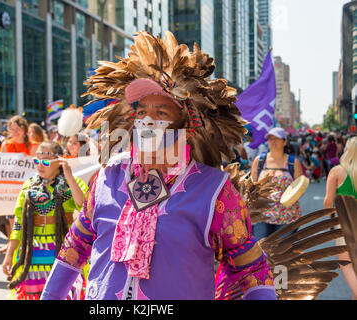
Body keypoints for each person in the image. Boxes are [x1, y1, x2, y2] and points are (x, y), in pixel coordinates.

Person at [41, 31, 277, 300]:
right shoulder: (109, 176)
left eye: (161, 112)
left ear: (187, 127)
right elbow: (76, 245)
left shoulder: (214, 191)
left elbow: (252, 272)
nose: (147, 121)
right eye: (141, 112)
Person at [2, 141, 88, 300]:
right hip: (32, 252)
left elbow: (84, 205)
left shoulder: (70, 184)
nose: (40, 165)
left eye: (46, 161)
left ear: (59, 162)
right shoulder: (29, 186)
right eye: (37, 160)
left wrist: (69, 176)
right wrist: (9, 254)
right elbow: (18, 223)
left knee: (64, 293)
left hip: (63, 250)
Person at [250, 127, 303, 240]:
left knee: (282, 253)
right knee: (261, 250)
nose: (272, 141)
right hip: (261, 215)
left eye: (277, 139)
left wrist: (288, 196)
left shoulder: (293, 163)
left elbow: (300, 189)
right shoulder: (259, 161)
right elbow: (252, 187)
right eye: (270, 139)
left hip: (287, 216)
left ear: (284, 142)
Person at [323, 136, 357, 299]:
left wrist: (330, 219)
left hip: (345, 224)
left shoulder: (337, 171)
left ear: (347, 151)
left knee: (348, 265)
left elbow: (328, 201)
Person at [0, 116, 39, 252]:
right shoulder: (6, 145)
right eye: (12, 129)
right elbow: (2, 166)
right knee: (12, 218)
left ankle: (27, 244)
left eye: (18, 129)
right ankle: (12, 245)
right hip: (11, 187)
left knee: (27, 217)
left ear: (24, 129)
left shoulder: (34, 145)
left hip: (28, 187)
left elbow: (35, 167)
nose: (15, 131)